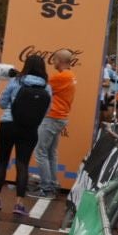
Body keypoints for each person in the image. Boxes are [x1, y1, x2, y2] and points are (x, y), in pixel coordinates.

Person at [0, 56, 50, 216]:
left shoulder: (16, 81)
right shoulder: (47, 87)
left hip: (8, 124)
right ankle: (19, 204)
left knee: (2, 162)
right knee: (23, 165)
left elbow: (2, 103)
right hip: (30, 129)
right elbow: (46, 110)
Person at [33, 49, 76, 196]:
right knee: (51, 152)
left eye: (55, 59)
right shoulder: (70, 76)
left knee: (40, 152)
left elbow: (41, 86)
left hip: (52, 117)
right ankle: (52, 182)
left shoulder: (61, 77)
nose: (53, 62)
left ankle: (46, 187)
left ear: (60, 60)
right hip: (59, 118)